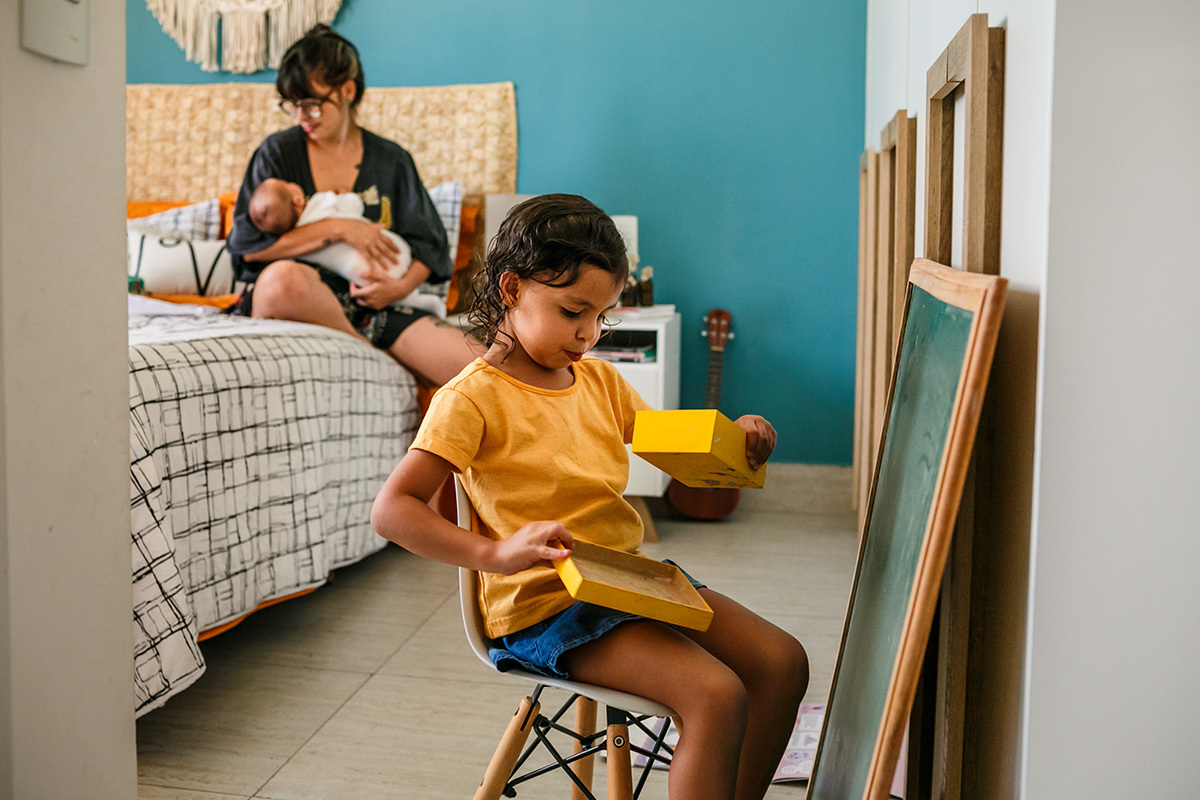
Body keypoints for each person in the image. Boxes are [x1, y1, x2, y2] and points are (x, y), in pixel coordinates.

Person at [370, 194, 809, 800]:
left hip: (628, 579)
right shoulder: (471, 398)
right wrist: (496, 555)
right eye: (573, 311)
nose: (588, 334)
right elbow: (393, 511)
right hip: (543, 605)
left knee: (782, 663)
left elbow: (682, 465)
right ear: (511, 288)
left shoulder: (600, 380)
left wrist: (739, 446)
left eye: (602, 317)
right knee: (714, 694)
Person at [225, 24, 481, 386]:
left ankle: (372, 355)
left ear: (347, 90)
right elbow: (249, 249)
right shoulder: (277, 154)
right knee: (280, 280)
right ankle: (371, 360)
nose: (301, 117)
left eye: (312, 105)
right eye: (293, 105)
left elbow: (430, 247)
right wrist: (339, 229)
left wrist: (397, 289)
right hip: (300, 299)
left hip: (377, 305)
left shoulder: (392, 160)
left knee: (484, 371)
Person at [245, 178, 453, 319]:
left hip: (361, 276)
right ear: (297, 199)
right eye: (287, 184)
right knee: (393, 269)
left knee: (377, 284)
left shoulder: (300, 245)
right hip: (391, 251)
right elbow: (354, 206)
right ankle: (421, 302)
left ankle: (416, 301)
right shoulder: (320, 202)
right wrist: (347, 196)